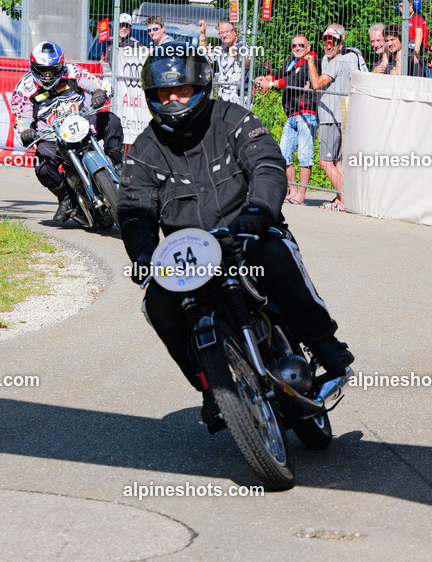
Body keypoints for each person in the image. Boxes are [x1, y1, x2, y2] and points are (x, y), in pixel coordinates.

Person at [117, 41, 355, 431]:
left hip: (247, 233)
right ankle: (210, 388)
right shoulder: (145, 148)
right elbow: (133, 207)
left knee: (275, 255)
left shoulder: (233, 119)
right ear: (152, 96)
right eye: (164, 93)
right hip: (190, 257)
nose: (174, 99)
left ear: (201, 87)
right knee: (157, 304)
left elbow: (267, 163)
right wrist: (143, 254)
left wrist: (258, 211)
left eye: (182, 90)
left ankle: (324, 343)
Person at [12, 41, 124, 222]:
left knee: (111, 120)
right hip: (51, 136)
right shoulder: (24, 88)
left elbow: (101, 85)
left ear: (61, 65)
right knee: (42, 166)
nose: (48, 75)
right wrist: (26, 133)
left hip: (82, 123)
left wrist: (99, 93)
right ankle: (66, 198)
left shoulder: (73, 72)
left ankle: (117, 165)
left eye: (53, 69)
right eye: (42, 70)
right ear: (33, 67)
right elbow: (20, 121)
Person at [307, 25, 366, 212]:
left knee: (325, 162)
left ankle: (347, 199)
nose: (329, 46)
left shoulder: (338, 61)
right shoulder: (337, 59)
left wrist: (310, 63)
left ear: (341, 44)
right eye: (326, 41)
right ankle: (341, 201)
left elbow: (317, 84)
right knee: (338, 162)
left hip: (330, 116)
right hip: (340, 114)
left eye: (333, 42)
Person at [254, 34, 317, 205]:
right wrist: (266, 79)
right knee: (283, 154)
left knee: (305, 156)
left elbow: (294, 80)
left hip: (306, 113)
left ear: (308, 47)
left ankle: (301, 195)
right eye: (294, 45)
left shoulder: (311, 61)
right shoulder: (293, 61)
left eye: (301, 45)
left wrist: (272, 84)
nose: (297, 48)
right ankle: (293, 190)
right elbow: (279, 73)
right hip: (292, 114)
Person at [198, 19, 250, 105]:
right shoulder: (222, 49)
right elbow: (204, 53)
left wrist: (237, 57)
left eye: (227, 32)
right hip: (223, 100)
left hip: (239, 101)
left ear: (235, 31)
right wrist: (202, 33)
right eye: (221, 33)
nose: (224, 35)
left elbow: (248, 64)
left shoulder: (243, 46)